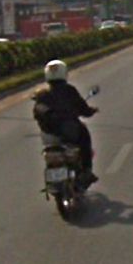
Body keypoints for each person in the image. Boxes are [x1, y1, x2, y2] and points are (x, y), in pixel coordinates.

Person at [32, 59, 98, 188]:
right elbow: (83, 108)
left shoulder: (42, 93)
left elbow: (38, 111)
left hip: (49, 134)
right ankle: (87, 171)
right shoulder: (69, 90)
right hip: (69, 131)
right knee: (85, 138)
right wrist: (90, 111)